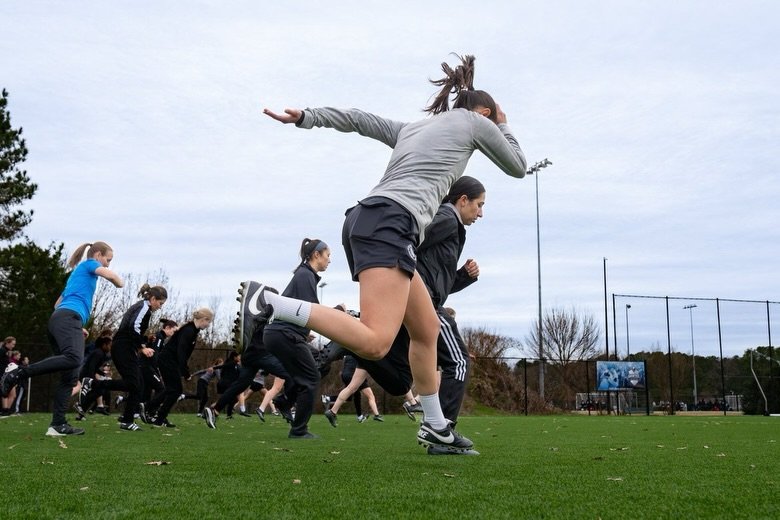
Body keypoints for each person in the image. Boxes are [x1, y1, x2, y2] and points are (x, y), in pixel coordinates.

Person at [256, 54, 526, 451]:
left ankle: (436, 426)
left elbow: (360, 120)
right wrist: (502, 122)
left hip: (370, 219)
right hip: (390, 223)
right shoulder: (475, 122)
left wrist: (308, 116)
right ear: (482, 113)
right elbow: (518, 165)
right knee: (377, 342)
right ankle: (270, 304)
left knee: (426, 329)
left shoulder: (414, 129)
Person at [0, 242, 124, 436]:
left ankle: (57, 425)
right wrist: (120, 282)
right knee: (74, 358)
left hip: (62, 319)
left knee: (70, 376)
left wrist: (76, 326)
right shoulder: (89, 264)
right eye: (108, 260)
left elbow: (58, 303)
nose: (107, 265)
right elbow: (112, 277)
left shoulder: (76, 277)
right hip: (67, 319)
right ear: (98, 254)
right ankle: (18, 373)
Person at [253, 238, 331, 439]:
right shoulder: (305, 275)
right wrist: (339, 312)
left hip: (281, 334)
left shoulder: (305, 275)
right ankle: (298, 430)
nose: (329, 261)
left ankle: (285, 401)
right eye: (328, 256)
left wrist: (305, 332)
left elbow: (302, 311)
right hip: (283, 335)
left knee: (322, 364)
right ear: (316, 255)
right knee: (311, 379)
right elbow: (312, 310)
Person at [78, 284, 167, 431]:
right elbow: (133, 327)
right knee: (135, 384)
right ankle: (93, 384)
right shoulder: (144, 307)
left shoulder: (141, 306)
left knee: (136, 384)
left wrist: (145, 339)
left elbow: (130, 329)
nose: (160, 307)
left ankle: (127, 420)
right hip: (124, 348)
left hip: (124, 346)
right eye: (160, 303)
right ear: (152, 298)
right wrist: (142, 347)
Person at [147, 307, 214, 427]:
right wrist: (185, 372)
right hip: (167, 361)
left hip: (170, 361)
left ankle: (148, 408)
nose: (208, 325)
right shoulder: (189, 331)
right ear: (204, 319)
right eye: (209, 322)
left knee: (170, 390)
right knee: (176, 391)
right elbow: (181, 352)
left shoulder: (192, 330)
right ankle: (159, 418)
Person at [324, 353, 383, 426]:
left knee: (352, 395)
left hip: (345, 375)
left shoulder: (348, 355)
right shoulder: (362, 353)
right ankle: (375, 415)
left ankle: (332, 407)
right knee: (368, 396)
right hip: (355, 376)